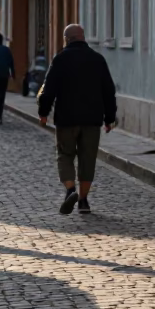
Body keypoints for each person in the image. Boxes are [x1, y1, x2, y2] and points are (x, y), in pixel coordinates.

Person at [37, 23, 117, 216]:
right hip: (92, 119)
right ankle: (83, 202)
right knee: (87, 159)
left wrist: (43, 112)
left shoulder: (60, 59)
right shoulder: (98, 59)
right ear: (83, 37)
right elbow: (108, 90)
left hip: (66, 118)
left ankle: (71, 190)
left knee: (64, 155)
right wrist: (109, 118)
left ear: (67, 39)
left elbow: (49, 90)